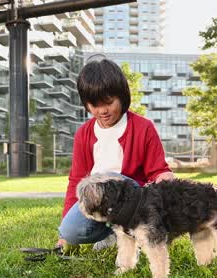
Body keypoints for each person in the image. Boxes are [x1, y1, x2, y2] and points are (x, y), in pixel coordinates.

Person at [57, 57, 175, 251]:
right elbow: (76, 181)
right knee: (71, 230)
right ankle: (113, 232)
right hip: (97, 202)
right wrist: (63, 235)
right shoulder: (83, 134)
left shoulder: (143, 127)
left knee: (113, 180)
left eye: (109, 102)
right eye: (94, 105)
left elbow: (157, 171)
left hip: (134, 202)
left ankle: (131, 232)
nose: (102, 111)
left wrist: (165, 177)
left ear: (122, 96)